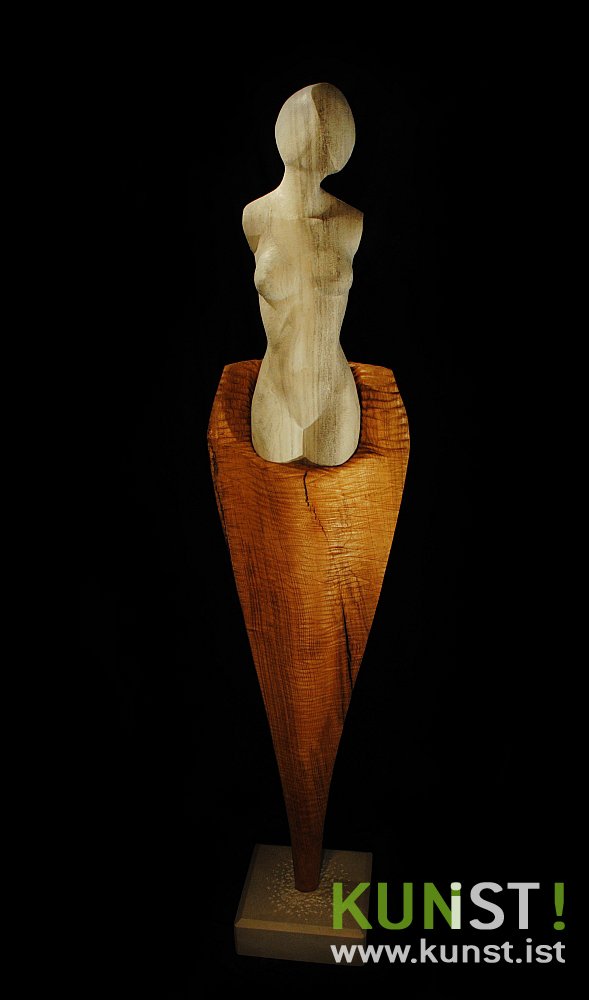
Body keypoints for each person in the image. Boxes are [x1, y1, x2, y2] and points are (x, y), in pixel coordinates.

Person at [243, 82, 362, 466]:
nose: (320, 132)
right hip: (276, 391)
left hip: (333, 393)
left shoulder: (349, 222)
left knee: (350, 501)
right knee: (261, 498)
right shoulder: (256, 217)